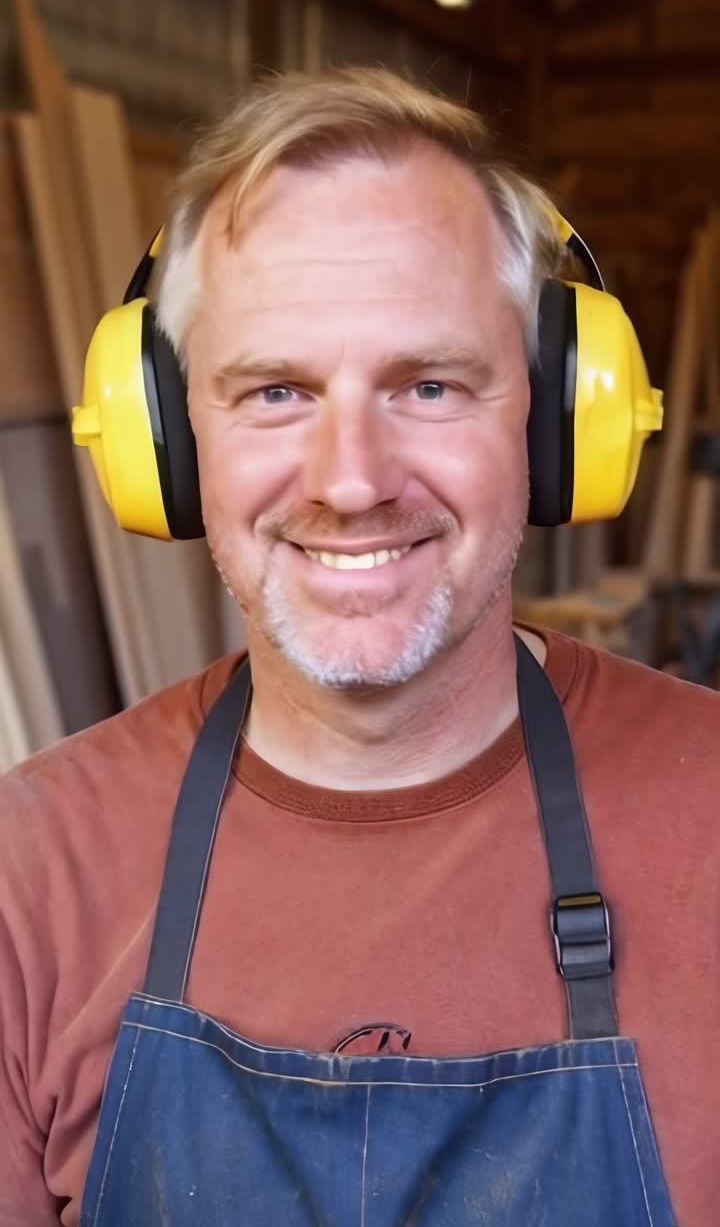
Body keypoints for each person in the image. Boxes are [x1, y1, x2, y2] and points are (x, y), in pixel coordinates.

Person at [0, 67, 717, 1227]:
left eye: (428, 383)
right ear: (169, 443)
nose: (351, 480)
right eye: (275, 391)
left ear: (553, 419)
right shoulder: (28, 875)